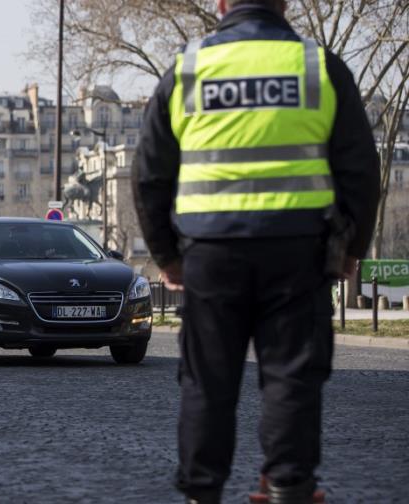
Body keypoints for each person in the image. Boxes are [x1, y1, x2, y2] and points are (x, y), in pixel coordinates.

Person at [131, 1, 380, 502]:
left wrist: (166, 254)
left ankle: (202, 492)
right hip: (298, 250)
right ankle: (288, 486)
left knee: (207, 380)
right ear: (284, 2)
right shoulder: (319, 66)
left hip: (210, 252)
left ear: (222, 3)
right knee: (292, 375)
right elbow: (360, 168)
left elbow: (150, 174)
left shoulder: (187, 68)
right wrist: (353, 246)